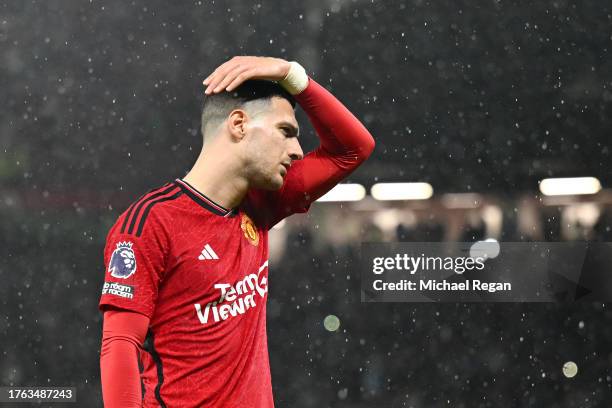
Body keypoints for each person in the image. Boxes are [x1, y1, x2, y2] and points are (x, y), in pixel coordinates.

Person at [98, 56, 375, 407]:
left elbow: (353, 149)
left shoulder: (262, 203)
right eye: (285, 132)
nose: (297, 150)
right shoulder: (149, 223)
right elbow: (120, 345)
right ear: (239, 124)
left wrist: (292, 75)